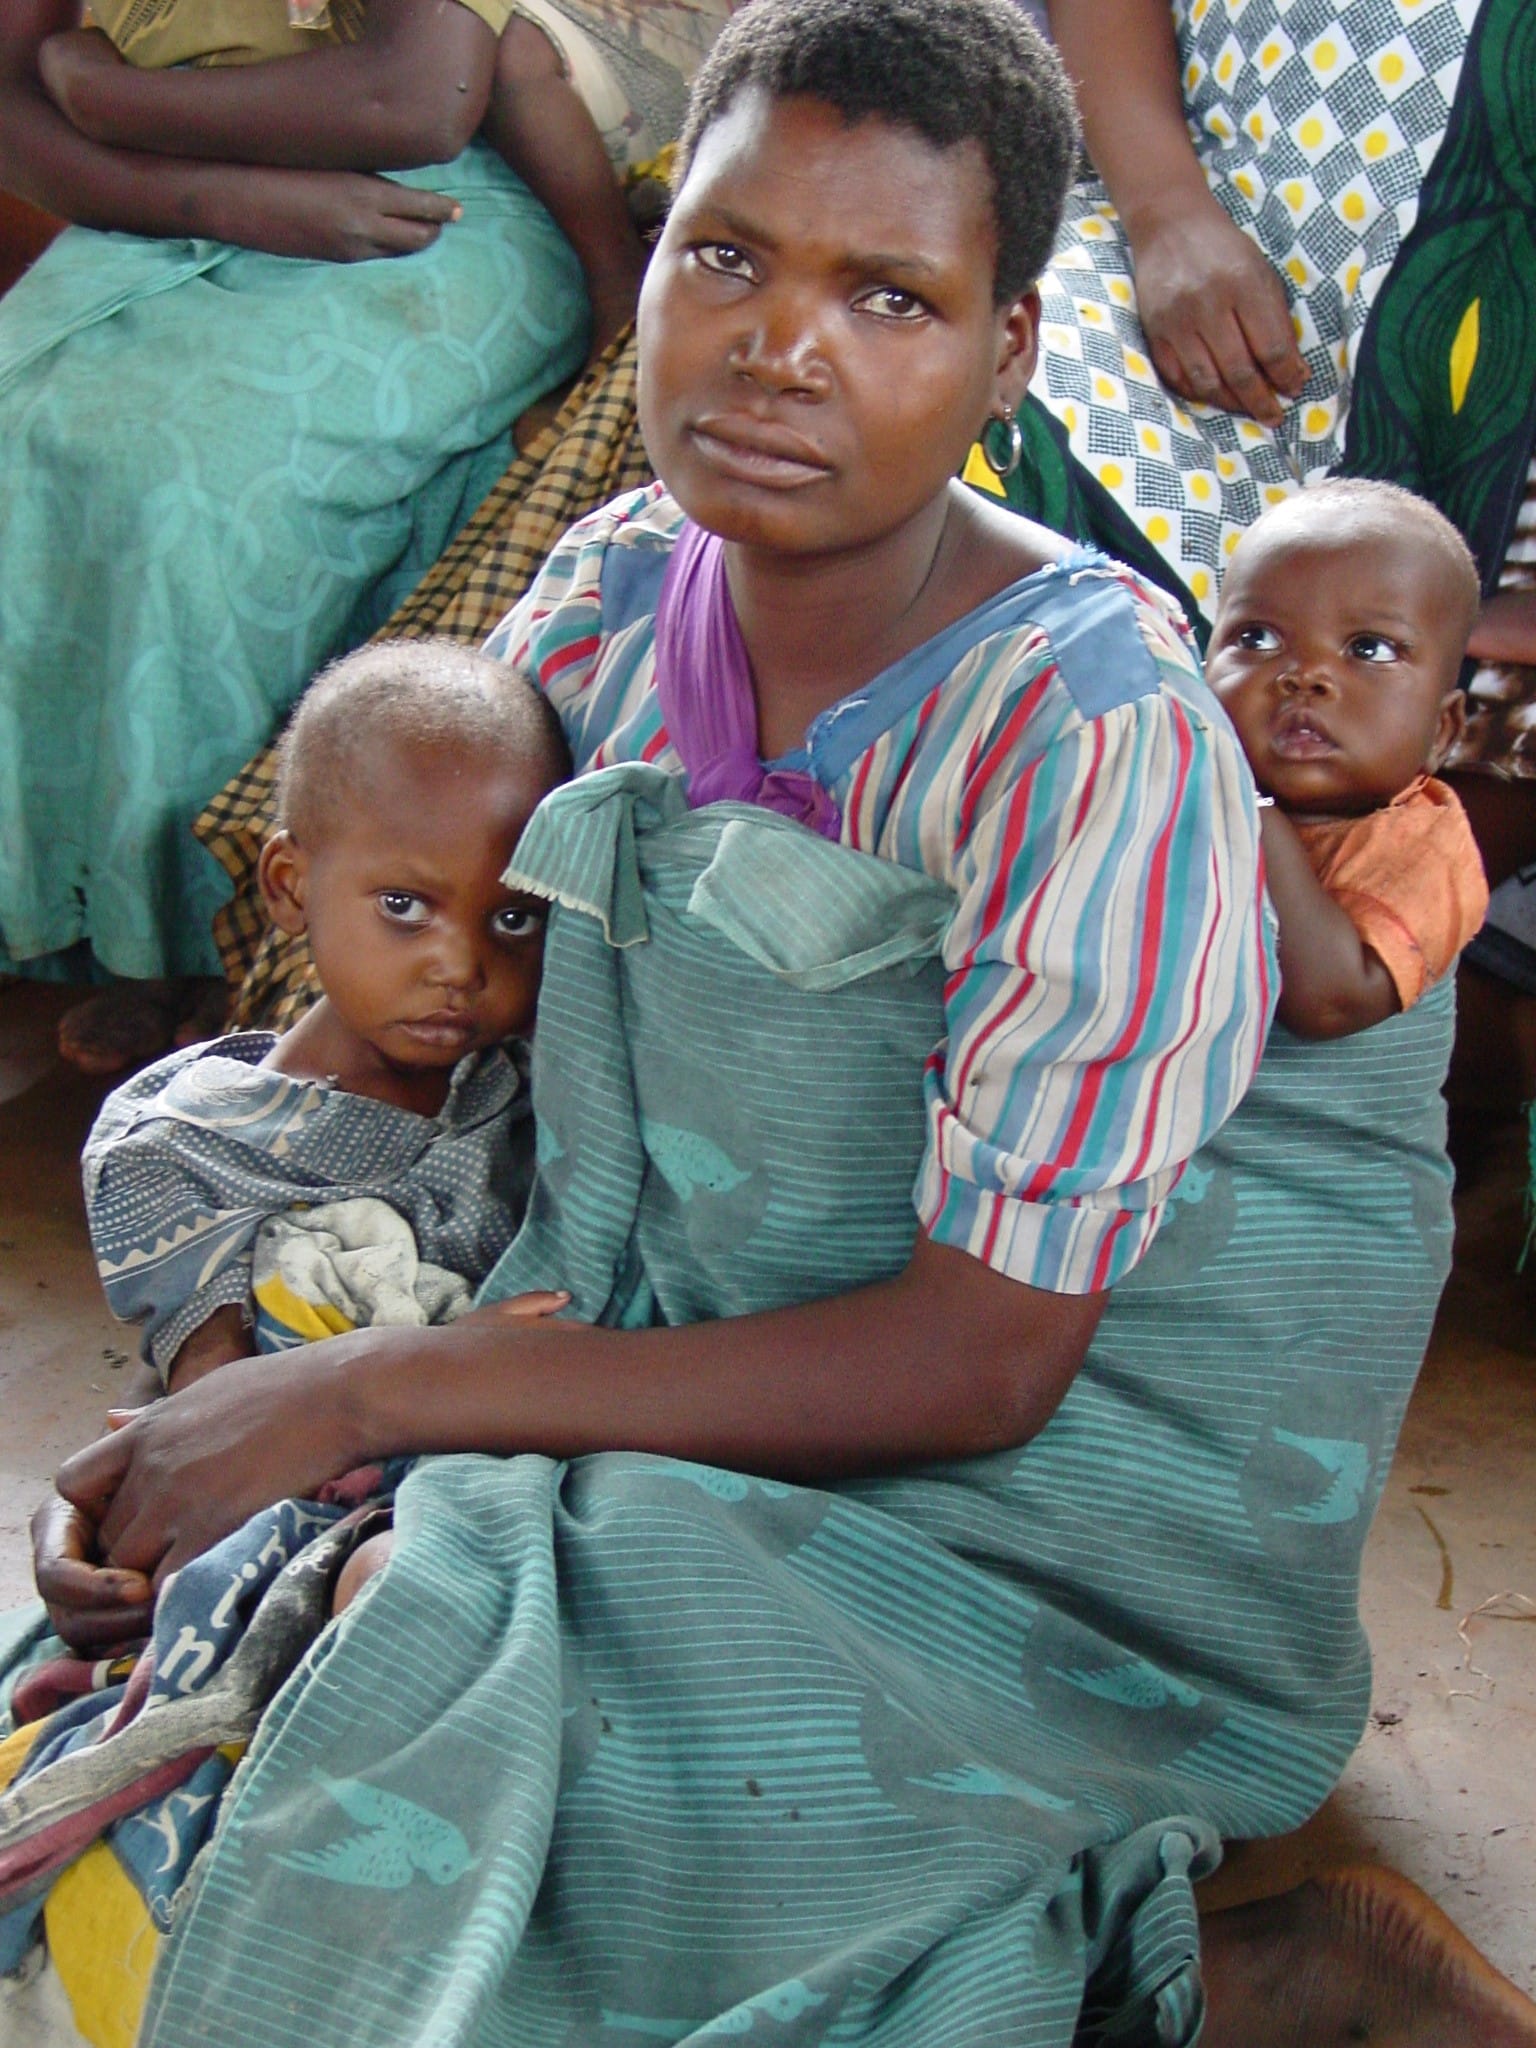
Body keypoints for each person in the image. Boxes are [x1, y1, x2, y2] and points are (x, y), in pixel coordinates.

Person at [7, 4, 1535, 2044]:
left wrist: (368, 1405)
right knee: (188, 1661)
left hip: (1040, 1531)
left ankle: (1232, 1981)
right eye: (725, 255)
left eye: (889, 294)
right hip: (651, 1349)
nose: (780, 345)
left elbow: (988, 1361)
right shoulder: (610, 600)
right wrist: (225, 1384)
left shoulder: (1089, 734)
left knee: (437, 1759)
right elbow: (419, 1062)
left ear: (1007, 357)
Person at [0, 0, 723, 1078]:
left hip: (449, 202)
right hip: (167, 201)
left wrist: (105, 93)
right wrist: (225, 199)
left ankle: (204, 936)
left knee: (199, 491)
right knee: (27, 437)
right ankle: (68, 912)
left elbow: (418, 99)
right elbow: (12, 107)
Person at [81, 639, 570, 1424]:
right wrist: (447, 1364)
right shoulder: (185, 1151)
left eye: (513, 918)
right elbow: (218, 1418)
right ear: (289, 886)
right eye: (405, 907)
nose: (462, 965)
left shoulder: (533, 1096)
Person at [1208, 480, 1489, 1039]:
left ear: (1442, 730)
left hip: (1323, 1130)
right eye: (1257, 638)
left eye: (1368, 649)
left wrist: (1252, 813)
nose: (1304, 675)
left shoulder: (1426, 845)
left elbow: (1329, 1001)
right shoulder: (1179, 787)